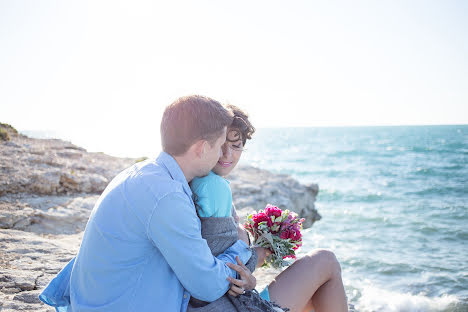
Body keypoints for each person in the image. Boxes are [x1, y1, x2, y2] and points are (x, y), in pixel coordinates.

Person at [39, 95, 268, 312]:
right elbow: (207, 286)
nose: (223, 154)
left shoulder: (145, 174)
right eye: (219, 145)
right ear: (201, 147)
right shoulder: (167, 197)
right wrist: (242, 246)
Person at [190, 105, 349, 312]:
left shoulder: (200, 181)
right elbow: (218, 273)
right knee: (326, 261)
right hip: (226, 307)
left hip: (227, 302)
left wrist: (249, 277)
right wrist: (259, 256)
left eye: (236, 145)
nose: (227, 154)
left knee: (315, 296)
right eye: (222, 144)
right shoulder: (213, 187)